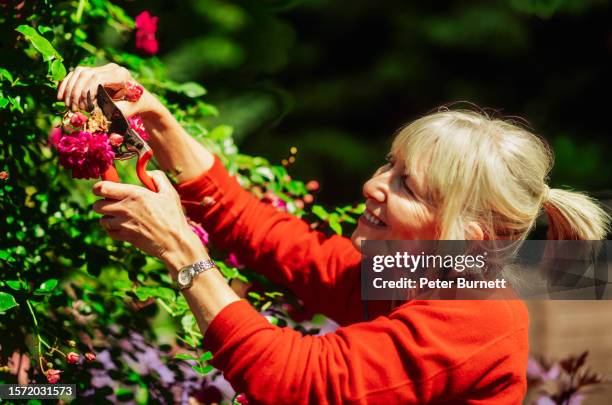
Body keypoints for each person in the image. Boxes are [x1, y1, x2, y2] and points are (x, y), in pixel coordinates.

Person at [57, 64, 610, 404]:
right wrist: (156, 118)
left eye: (408, 188)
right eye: (388, 165)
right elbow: (286, 246)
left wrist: (182, 251)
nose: (373, 185)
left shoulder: (479, 319)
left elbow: (298, 383)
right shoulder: (434, 274)